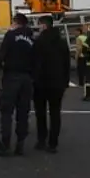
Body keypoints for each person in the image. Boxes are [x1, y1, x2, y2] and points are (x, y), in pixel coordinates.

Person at [0, 13, 34, 156]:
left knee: (6, 112)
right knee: (23, 112)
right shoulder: (32, 38)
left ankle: (5, 145)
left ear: (15, 22)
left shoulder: (10, 36)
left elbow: (1, 55)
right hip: (27, 79)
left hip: (11, 77)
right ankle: (20, 144)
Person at [32, 15, 70, 153]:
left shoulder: (38, 42)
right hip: (57, 83)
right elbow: (67, 64)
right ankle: (53, 143)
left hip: (41, 83)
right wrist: (65, 82)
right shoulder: (61, 42)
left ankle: (41, 140)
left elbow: (34, 63)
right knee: (55, 113)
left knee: (40, 113)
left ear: (43, 25)